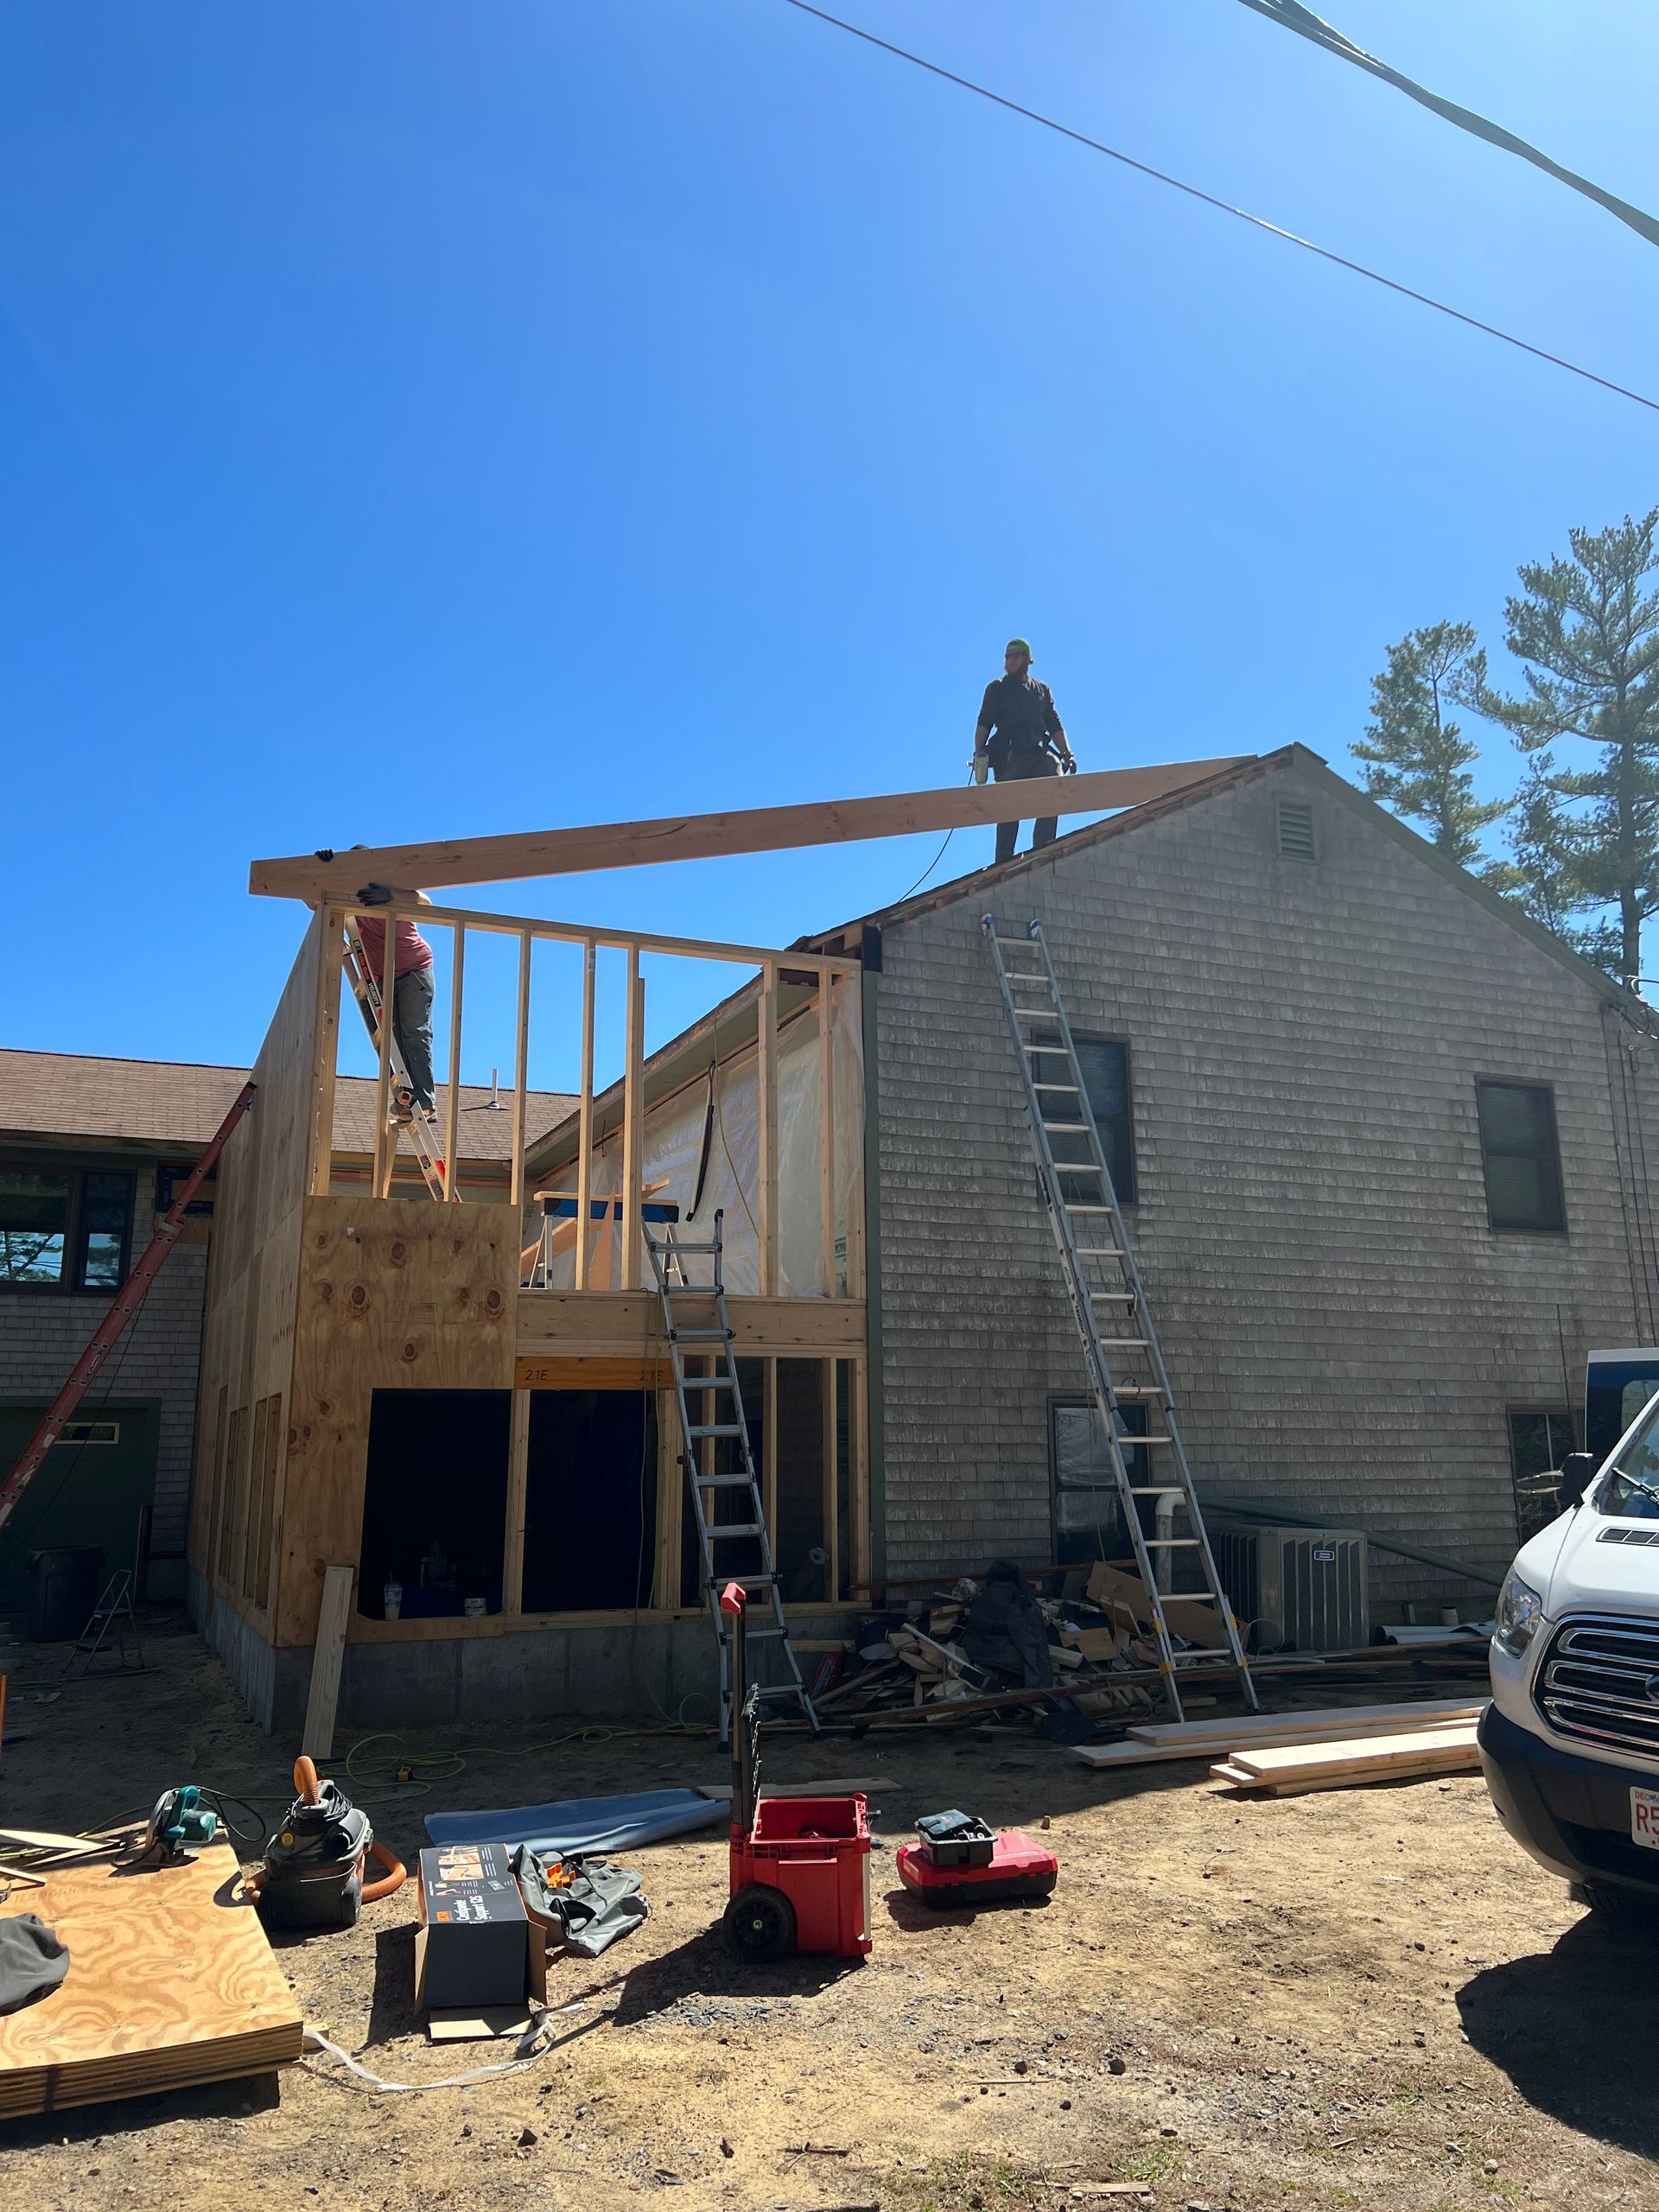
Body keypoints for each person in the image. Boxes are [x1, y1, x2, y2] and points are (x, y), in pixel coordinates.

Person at [973, 638, 1076, 866]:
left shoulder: (1041, 690)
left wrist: (1067, 754)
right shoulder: (997, 689)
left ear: (1028, 659)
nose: (1012, 661)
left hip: (1038, 752)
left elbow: (1054, 724)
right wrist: (979, 753)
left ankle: (1043, 851)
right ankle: (1003, 865)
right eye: (1008, 657)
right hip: (1010, 754)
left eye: (1017, 656)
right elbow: (984, 722)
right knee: (1010, 809)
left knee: (1053, 783)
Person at [353, 884, 436, 1122]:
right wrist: (320, 867)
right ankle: (409, 1099)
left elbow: (424, 901)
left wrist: (389, 895)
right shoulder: (353, 898)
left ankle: (426, 1102)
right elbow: (315, 901)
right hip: (384, 978)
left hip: (414, 971)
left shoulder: (391, 892)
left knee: (415, 1033)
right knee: (395, 1040)